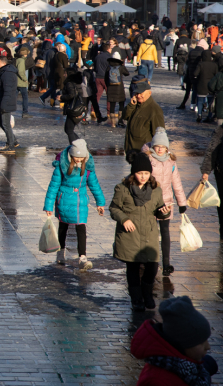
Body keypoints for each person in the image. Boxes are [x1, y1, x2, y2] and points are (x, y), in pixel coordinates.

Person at [110, 151, 167, 311]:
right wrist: (124, 219)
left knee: (152, 266)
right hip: (130, 235)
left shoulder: (156, 190)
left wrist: (164, 211)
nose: (143, 177)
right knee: (133, 268)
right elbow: (114, 208)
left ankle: (147, 294)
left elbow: (159, 209)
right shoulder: (123, 189)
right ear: (133, 173)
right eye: (140, 173)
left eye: (146, 173)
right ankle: (136, 298)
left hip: (149, 234)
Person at [43, 138, 106, 270]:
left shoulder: (88, 168)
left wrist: (100, 203)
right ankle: (61, 252)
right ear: (71, 155)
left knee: (81, 228)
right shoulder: (62, 166)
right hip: (64, 200)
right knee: (63, 227)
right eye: (76, 157)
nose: (78, 160)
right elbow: (53, 186)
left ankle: (82, 257)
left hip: (80, 202)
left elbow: (94, 185)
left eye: (81, 157)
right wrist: (48, 206)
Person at [131, 296, 218, 385]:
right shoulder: (157, 380)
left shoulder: (184, 368)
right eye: (201, 343)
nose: (208, 347)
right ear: (183, 344)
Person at [143, 128, 186, 277]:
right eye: (157, 146)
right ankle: (150, 259)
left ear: (167, 147)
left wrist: (182, 202)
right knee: (150, 232)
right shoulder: (148, 159)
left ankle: (166, 263)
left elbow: (176, 182)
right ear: (153, 146)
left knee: (165, 232)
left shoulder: (170, 160)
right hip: (149, 201)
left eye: (163, 147)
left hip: (166, 202)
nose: (160, 149)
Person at [122, 77, 164, 155]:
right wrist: (131, 105)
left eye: (141, 93)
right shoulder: (135, 105)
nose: (138, 96)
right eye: (137, 93)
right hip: (132, 151)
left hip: (144, 153)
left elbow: (159, 133)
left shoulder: (154, 109)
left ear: (149, 93)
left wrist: (157, 153)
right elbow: (124, 116)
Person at [0, 55, 18, 152]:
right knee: (0, 121)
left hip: (6, 102)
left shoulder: (7, 74)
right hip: (5, 101)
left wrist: (4, 104)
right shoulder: (6, 72)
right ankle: (14, 141)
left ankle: (11, 145)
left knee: (5, 124)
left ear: (4, 63)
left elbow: (8, 91)